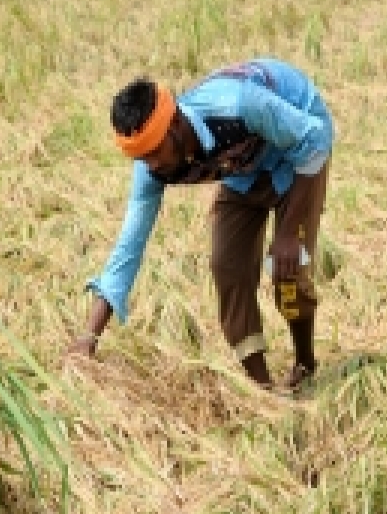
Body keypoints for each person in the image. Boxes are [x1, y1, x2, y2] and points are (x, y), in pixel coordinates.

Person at [69, 57, 334, 393]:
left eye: (155, 152)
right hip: (242, 171)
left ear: (176, 124)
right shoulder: (151, 167)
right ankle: (263, 391)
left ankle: (305, 364)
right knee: (228, 267)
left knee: (288, 271)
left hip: (298, 158)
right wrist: (88, 336)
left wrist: (287, 234)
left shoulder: (239, 105)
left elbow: (315, 138)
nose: (152, 165)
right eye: (142, 158)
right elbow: (129, 247)